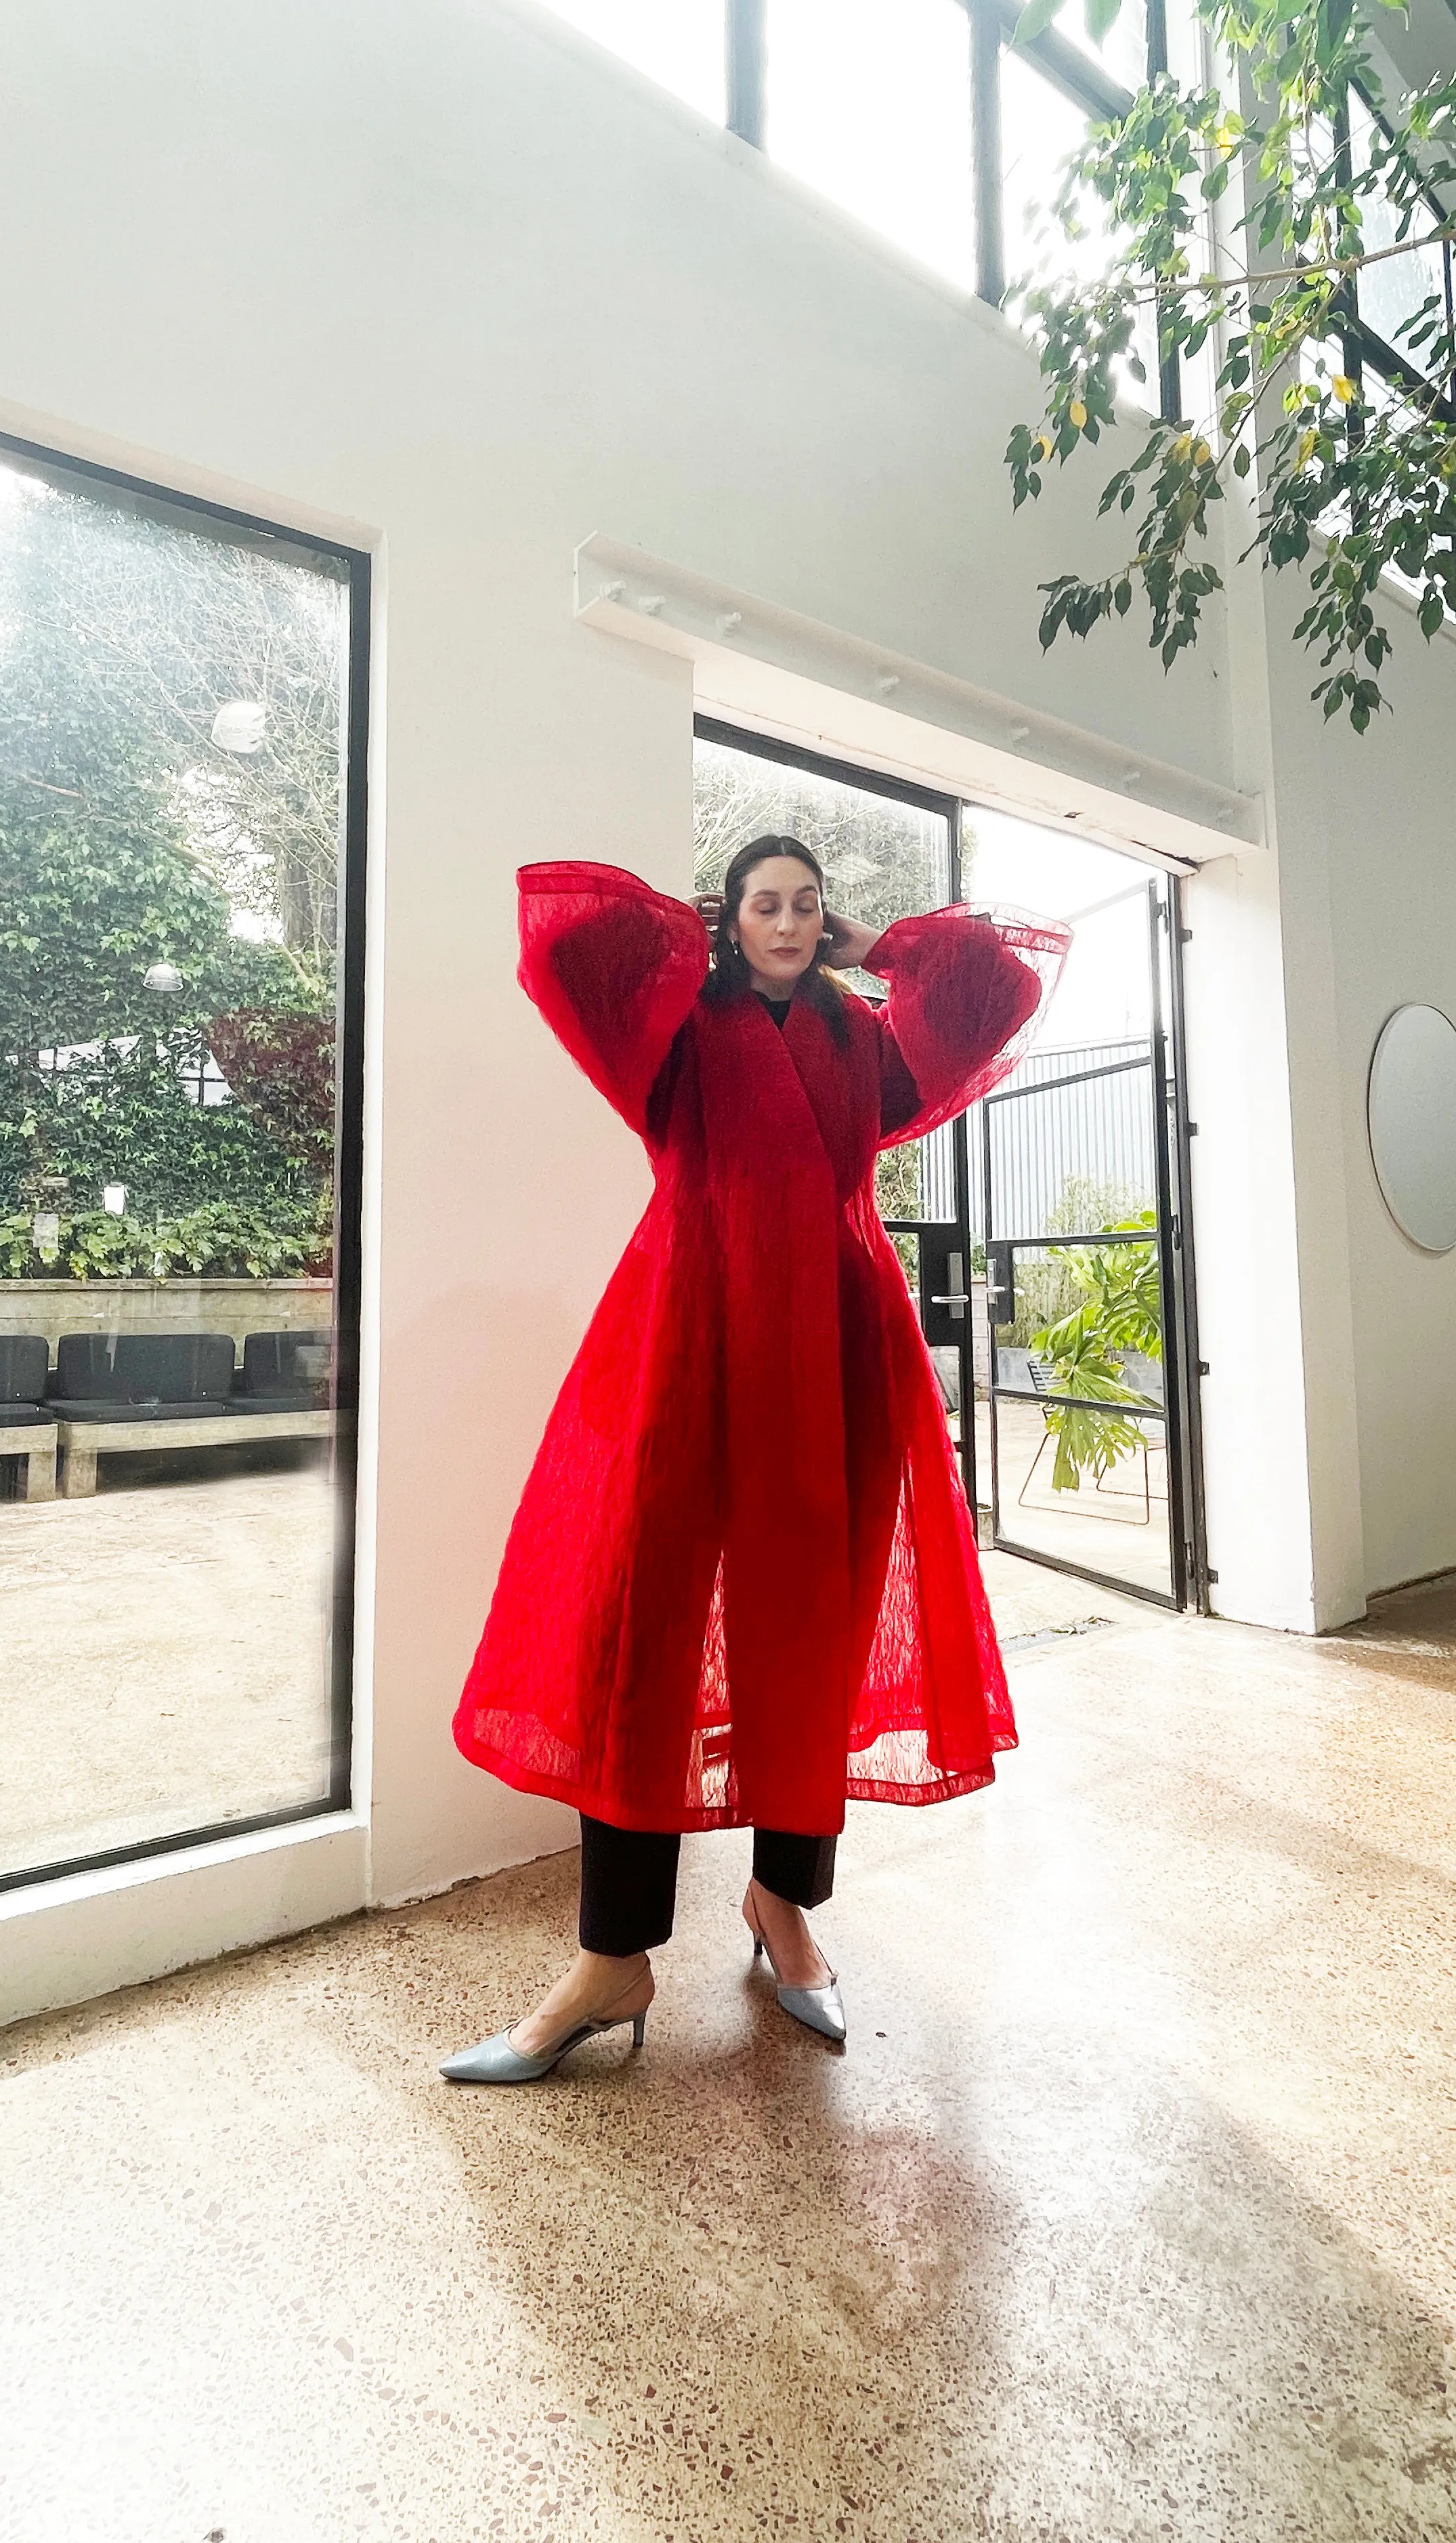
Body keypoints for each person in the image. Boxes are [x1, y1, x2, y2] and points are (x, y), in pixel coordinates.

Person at [442, 837, 1067, 2082]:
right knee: (636, 1629)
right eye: (763, 904)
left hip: (839, 1347)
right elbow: (568, 943)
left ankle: (783, 1906)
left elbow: (994, 987)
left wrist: (874, 953)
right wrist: (695, 938)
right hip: (688, 1332)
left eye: (805, 905)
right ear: (733, 917)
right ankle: (609, 1958)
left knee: (813, 1630)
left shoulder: (864, 1045)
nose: (786, 921)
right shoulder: (676, 1035)